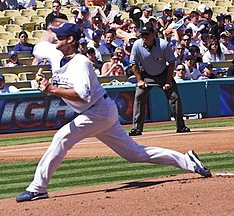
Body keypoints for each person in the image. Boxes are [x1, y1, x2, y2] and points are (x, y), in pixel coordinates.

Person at [15, 23, 212, 202]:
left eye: (61, 36)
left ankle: (38, 188)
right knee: (134, 154)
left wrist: (51, 90)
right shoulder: (56, 55)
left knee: (62, 137)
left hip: (96, 111)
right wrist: (51, 28)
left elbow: (83, 95)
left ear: (71, 40)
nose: (57, 39)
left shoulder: (81, 63)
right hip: (99, 112)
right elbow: (39, 46)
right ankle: (187, 161)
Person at [128, 23, 190, 136]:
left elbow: (171, 63)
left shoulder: (163, 44)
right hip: (146, 74)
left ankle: (181, 126)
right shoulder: (137, 45)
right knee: (139, 96)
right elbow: (134, 64)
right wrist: (140, 80)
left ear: (153, 34)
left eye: (147, 34)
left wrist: (168, 81)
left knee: (174, 97)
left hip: (163, 73)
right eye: (142, 34)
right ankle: (136, 128)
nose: (144, 37)